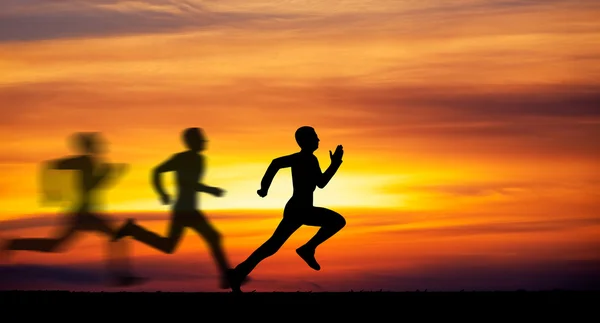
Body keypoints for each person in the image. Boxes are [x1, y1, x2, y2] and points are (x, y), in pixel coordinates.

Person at [1, 132, 143, 287]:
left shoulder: (87, 162)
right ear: (90, 146)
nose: (101, 146)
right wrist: (107, 175)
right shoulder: (85, 162)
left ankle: (14, 244)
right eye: (97, 144)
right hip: (84, 213)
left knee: (56, 246)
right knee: (117, 237)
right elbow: (87, 186)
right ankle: (120, 277)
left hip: (83, 212)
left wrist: (105, 176)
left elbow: (78, 179)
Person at [113, 127, 242, 290]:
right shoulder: (183, 159)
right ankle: (227, 278)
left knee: (170, 246)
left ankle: (133, 230)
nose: (203, 143)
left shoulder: (198, 159)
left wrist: (165, 193)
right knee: (211, 237)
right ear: (192, 142)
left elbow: (175, 178)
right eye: (200, 140)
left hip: (188, 209)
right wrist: (163, 193)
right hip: (184, 210)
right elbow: (163, 174)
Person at [229, 126, 346, 292]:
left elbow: (320, 183)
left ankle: (238, 274)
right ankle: (308, 248)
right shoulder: (300, 158)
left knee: (271, 247)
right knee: (337, 221)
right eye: (315, 137)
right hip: (299, 209)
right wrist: (264, 188)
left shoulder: (312, 160)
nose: (318, 140)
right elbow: (275, 163)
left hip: (300, 209)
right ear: (304, 141)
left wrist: (335, 164)